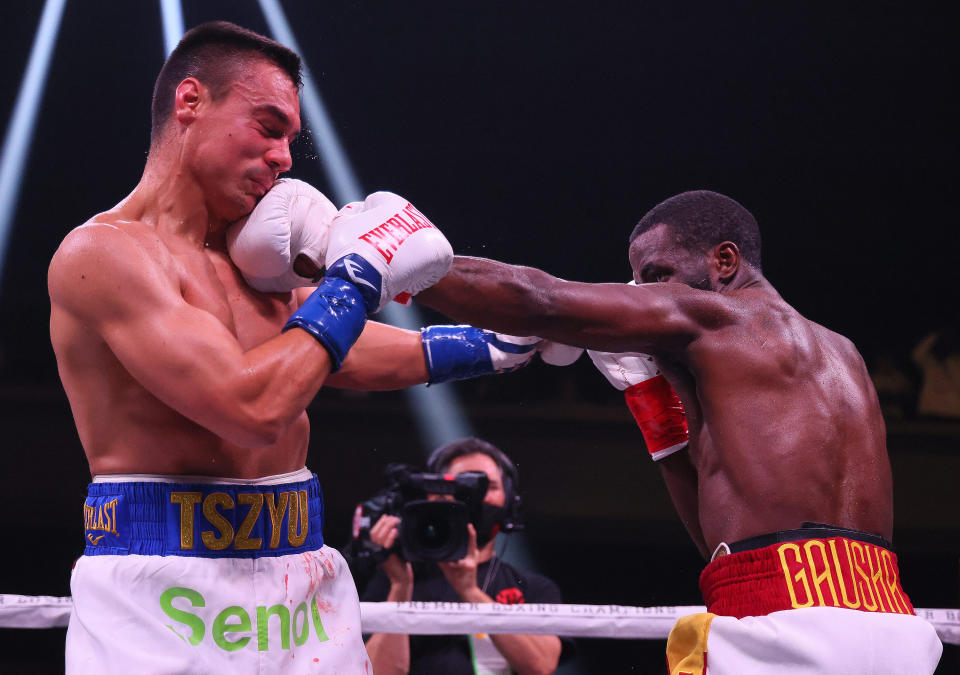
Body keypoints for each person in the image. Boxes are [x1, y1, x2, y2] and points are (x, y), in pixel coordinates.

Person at [47, 22, 539, 674]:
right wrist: (357, 275)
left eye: (291, 140)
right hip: (160, 593)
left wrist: (491, 347)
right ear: (190, 102)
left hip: (297, 581)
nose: (284, 157)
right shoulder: (103, 255)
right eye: (267, 126)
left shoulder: (252, 257)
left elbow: (331, 348)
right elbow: (250, 405)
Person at [415, 190, 944, 674]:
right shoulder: (843, 353)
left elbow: (542, 300)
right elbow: (723, 543)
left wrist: (402, 257)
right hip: (891, 622)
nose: (644, 295)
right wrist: (654, 401)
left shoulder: (713, 317)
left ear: (724, 261)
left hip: (785, 620)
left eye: (657, 274)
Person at [362, 438, 565, 675]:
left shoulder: (533, 588)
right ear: (438, 495)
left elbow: (540, 666)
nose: (477, 497)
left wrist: (470, 592)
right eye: (464, 485)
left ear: (509, 500)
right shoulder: (394, 578)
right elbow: (375, 672)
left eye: (488, 486)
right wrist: (400, 587)